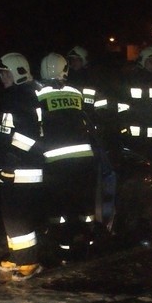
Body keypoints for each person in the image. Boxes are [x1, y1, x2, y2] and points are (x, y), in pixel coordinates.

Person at [36, 52, 103, 258]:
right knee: (83, 202)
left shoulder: (38, 94)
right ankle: (88, 239)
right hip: (83, 157)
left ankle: (61, 244)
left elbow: (38, 126)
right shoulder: (76, 92)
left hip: (55, 160)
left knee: (59, 204)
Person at [0, 52, 44, 280]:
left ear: (17, 73)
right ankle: (17, 257)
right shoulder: (15, 95)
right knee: (11, 216)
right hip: (11, 168)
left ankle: (28, 262)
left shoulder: (24, 97)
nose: (2, 77)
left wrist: (12, 155)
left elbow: (30, 134)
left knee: (19, 216)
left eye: (4, 73)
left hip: (23, 170)